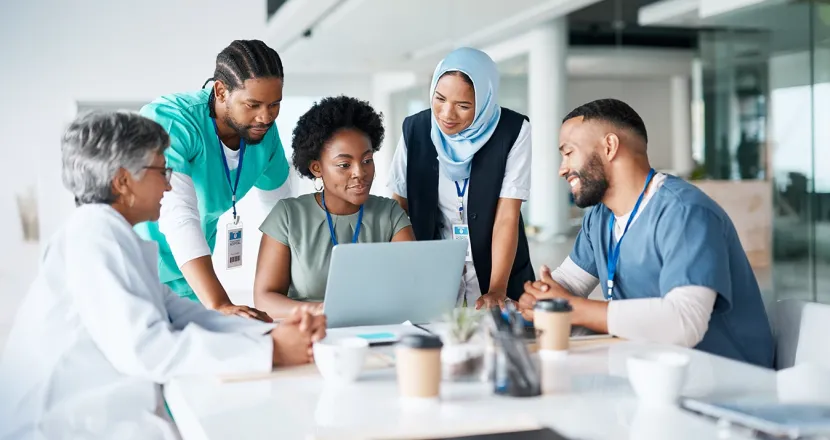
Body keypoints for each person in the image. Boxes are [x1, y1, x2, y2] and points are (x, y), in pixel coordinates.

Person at [0, 112, 326, 440]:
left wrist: (276, 332)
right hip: (60, 425)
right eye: (161, 170)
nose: (169, 184)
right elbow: (147, 348)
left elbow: (184, 315)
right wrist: (273, 351)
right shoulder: (94, 234)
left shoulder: (114, 235)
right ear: (123, 181)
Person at [518, 98, 774, 368]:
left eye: (568, 153)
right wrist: (536, 298)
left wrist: (568, 308)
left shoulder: (685, 212)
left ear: (609, 147)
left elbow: (684, 322)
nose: (562, 168)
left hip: (729, 381)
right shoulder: (600, 217)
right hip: (654, 372)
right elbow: (567, 284)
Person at [134, 40, 292, 321]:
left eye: (275, 104)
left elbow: (281, 215)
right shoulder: (174, 121)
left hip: (190, 279)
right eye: (253, 104)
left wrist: (287, 291)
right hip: (137, 269)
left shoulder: (263, 132)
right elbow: (177, 215)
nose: (266, 117)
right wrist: (219, 303)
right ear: (221, 91)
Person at [388, 47, 534, 310]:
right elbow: (399, 206)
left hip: (498, 266)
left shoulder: (512, 131)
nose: (447, 114)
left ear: (485, 101)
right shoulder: (416, 129)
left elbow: (506, 216)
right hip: (434, 265)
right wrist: (408, 270)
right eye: (440, 98)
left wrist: (497, 289)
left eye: (463, 106)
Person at [254, 96, 414, 319]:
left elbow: (413, 286)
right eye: (344, 165)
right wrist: (320, 311)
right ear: (317, 168)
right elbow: (264, 299)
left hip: (378, 329)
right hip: (309, 332)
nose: (360, 172)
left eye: (367, 160)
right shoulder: (288, 216)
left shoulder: (390, 214)